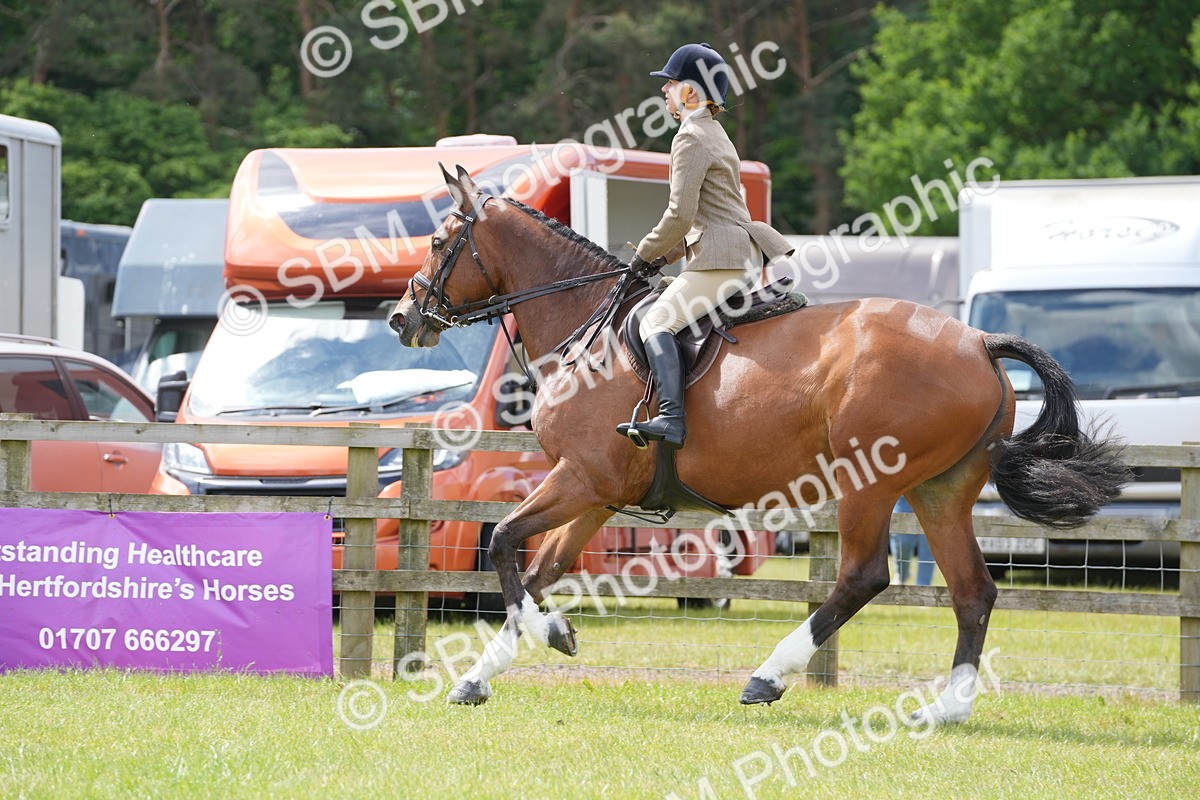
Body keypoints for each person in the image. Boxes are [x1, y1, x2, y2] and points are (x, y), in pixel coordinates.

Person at [617, 43, 793, 450]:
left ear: (691, 93)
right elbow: (704, 218)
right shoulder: (714, 132)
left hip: (720, 260)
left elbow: (680, 215)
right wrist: (663, 259)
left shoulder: (691, 136)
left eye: (671, 84)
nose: (664, 91)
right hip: (728, 251)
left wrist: (642, 255)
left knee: (654, 324)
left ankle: (670, 420)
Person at [891, 498, 935, 586]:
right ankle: (902, 574)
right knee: (902, 541)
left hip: (932, 496)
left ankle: (924, 586)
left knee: (928, 545)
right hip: (904, 495)